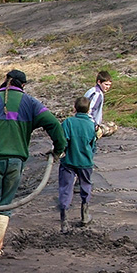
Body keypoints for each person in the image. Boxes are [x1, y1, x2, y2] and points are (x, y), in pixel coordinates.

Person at [0, 69, 66, 263]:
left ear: (5, 81)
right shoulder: (31, 103)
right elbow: (53, 124)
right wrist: (58, 149)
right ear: (23, 85)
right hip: (15, 161)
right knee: (5, 203)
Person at [58, 96, 97, 233]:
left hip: (69, 161)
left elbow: (63, 141)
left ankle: (64, 220)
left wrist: (58, 152)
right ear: (88, 110)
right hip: (85, 162)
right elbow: (93, 145)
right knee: (86, 185)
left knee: (65, 188)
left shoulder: (68, 122)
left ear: (74, 108)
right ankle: (85, 215)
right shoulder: (92, 125)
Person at [84, 70, 116, 138]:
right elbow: (90, 110)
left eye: (109, 85)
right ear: (99, 82)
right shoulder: (97, 94)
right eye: (106, 84)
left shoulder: (92, 90)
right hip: (89, 125)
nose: (108, 87)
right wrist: (94, 124)